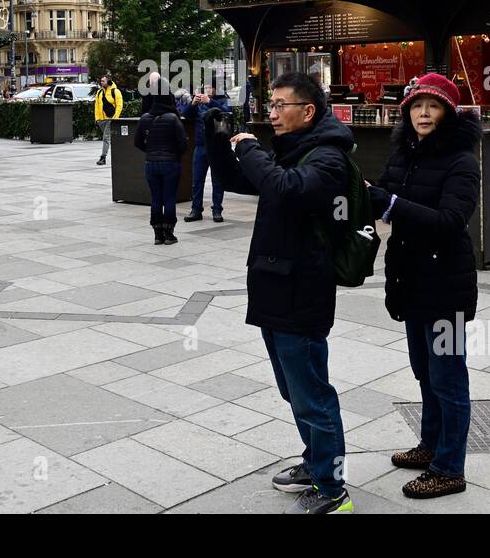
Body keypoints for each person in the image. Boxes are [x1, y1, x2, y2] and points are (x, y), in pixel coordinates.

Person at [207, 71, 354, 514]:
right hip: (274, 285)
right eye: (269, 105)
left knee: (312, 393)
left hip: (302, 290)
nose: (271, 113)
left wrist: (250, 148)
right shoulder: (293, 151)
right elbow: (243, 182)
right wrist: (217, 139)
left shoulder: (328, 158)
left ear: (307, 111)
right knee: (294, 390)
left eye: (279, 105)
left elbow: (284, 189)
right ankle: (316, 462)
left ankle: (333, 490)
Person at [367, 73, 480, 499]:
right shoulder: (404, 155)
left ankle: (450, 468)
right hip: (411, 280)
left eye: (433, 106)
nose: (424, 114)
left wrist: (392, 205)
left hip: (446, 286)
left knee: (448, 378)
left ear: (448, 113)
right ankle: (430, 445)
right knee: (423, 373)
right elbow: (381, 195)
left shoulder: (462, 161)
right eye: (416, 106)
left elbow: (451, 222)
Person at [134, 76, 187, 245]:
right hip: (171, 163)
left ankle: (157, 234)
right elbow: (183, 143)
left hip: (151, 164)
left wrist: (150, 151)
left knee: (156, 198)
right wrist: (175, 154)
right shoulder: (173, 118)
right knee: (169, 198)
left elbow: (137, 142)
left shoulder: (145, 118)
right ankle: (169, 234)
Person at [185, 77, 230, 223]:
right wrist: (193, 104)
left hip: (217, 146)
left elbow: (227, 113)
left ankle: (217, 210)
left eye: (210, 87)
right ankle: (196, 209)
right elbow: (186, 115)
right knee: (197, 179)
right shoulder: (199, 102)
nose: (207, 90)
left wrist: (210, 102)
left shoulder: (222, 100)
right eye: (205, 87)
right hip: (200, 145)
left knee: (218, 179)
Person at [93, 74, 124, 166]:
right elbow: (96, 106)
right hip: (101, 120)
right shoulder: (99, 92)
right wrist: (96, 118)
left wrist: (115, 118)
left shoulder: (116, 91)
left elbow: (119, 106)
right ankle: (120, 155)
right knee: (111, 138)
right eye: (101, 81)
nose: (101, 82)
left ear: (109, 82)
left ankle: (103, 157)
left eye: (103, 81)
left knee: (106, 138)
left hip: (111, 119)